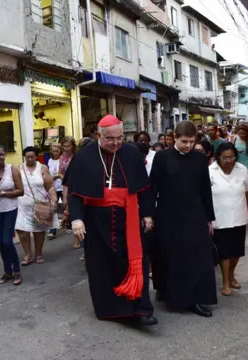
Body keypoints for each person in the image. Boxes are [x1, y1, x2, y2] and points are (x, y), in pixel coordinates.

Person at [65, 115, 157, 326]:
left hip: (128, 220)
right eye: (110, 139)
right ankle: (110, 310)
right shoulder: (84, 156)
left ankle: (140, 309)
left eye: (120, 138)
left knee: (134, 262)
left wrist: (148, 214)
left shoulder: (132, 154)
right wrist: (77, 219)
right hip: (96, 223)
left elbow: (143, 188)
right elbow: (76, 193)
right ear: (99, 135)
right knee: (101, 266)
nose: (116, 143)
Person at [149, 121, 217, 318]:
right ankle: (168, 293)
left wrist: (209, 218)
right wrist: (149, 215)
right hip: (167, 214)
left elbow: (205, 189)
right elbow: (153, 187)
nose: (188, 145)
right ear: (174, 138)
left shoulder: (199, 158)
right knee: (168, 255)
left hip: (195, 214)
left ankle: (195, 299)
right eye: (184, 141)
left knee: (196, 258)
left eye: (191, 141)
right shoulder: (162, 157)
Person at [209, 142, 248, 296]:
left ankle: (231, 275)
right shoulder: (210, 171)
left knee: (236, 252)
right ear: (218, 157)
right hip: (219, 218)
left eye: (232, 157)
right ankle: (225, 283)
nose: (229, 160)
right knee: (224, 252)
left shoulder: (242, 169)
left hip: (239, 216)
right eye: (225, 158)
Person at [0, 145, 24, 286]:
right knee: (1, 242)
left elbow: (21, 191)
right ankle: (7, 272)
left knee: (7, 240)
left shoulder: (12, 170)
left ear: (5, 155)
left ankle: (16, 270)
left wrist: (2, 194)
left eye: (1, 154)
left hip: (10, 209)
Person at [15, 146, 57, 265]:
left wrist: (54, 200)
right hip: (22, 205)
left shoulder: (42, 168)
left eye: (32, 156)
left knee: (39, 230)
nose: (29, 159)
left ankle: (38, 253)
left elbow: (50, 186)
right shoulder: (18, 168)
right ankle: (28, 254)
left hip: (39, 205)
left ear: (36, 156)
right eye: (27, 157)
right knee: (22, 230)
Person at [47, 143, 64, 238]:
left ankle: (68, 224)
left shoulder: (62, 160)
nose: (55, 153)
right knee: (53, 207)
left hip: (62, 186)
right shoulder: (49, 161)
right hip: (53, 187)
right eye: (53, 151)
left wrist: (58, 175)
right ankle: (53, 229)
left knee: (66, 206)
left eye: (57, 151)